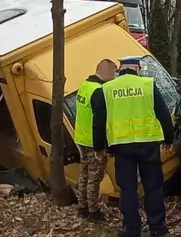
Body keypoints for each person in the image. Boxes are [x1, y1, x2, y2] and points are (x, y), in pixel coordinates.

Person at [91, 56, 175, 237]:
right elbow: (163, 114)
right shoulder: (147, 85)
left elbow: (98, 121)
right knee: (153, 187)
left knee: (127, 189)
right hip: (148, 145)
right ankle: (158, 228)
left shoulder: (105, 90)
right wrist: (169, 138)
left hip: (121, 148)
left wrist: (99, 147)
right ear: (136, 68)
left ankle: (131, 229)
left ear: (121, 69)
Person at [74, 59, 118, 222]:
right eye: (113, 73)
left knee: (84, 174)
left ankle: (82, 206)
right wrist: (100, 147)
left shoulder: (84, 86)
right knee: (95, 176)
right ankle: (93, 210)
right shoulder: (98, 92)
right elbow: (99, 122)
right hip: (94, 142)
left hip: (81, 138)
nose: (114, 77)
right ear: (108, 72)